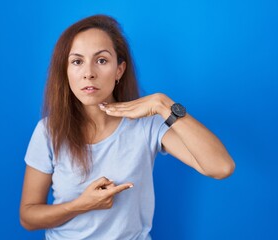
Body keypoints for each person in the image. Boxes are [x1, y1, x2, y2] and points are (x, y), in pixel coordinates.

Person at [20, 14, 235, 240]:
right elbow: (28, 217)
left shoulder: (147, 125)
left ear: (119, 70)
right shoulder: (48, 131)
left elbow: (221, 167)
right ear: (66, 71)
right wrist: (81, 205)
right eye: (77, 61)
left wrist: (163, 104)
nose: (88, 73)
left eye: (101, 60)